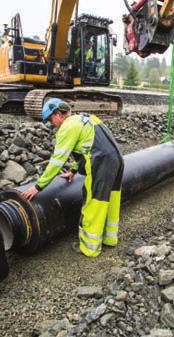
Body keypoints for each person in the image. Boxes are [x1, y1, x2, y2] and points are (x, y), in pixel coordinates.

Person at [22, 98, 124, 257]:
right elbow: (88, 148)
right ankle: (109, 239)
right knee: (111, 199)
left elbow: (56, 162)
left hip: (101, 163)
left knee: (93, 204)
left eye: (50, 120)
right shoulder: (85, 118)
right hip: (116, 159)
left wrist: (38, 186)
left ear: (57, 114)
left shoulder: (67, 127)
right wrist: (73, 170)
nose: (52, 124)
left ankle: (89, 248)